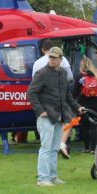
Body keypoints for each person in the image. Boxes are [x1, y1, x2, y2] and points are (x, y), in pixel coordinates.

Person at [28, 46, 82, 186]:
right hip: (47, 116)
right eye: (50, 57)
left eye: (54, 58)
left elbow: (67, 95)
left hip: (60, 115)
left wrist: (77, 107)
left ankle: (52, 177)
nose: (51, 60)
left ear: (60, 59)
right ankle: (42, 179)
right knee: (46, 148)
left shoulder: (63, 73)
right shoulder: (42, 73)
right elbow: (31, 93)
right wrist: (40, 111)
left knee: (54, 148)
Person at [73, 57, 97, 153]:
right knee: (94, 125)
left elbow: (75, 91)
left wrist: (75, 101)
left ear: (82, 65)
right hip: (96, 103)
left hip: (83, 104)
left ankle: (86, 147)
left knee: (85, 125)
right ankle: (94, 148)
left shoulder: (79, 77)